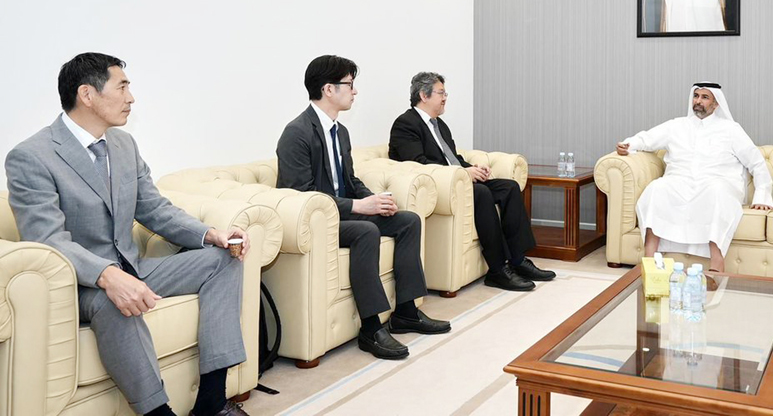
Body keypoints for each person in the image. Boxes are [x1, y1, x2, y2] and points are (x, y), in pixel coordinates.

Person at [4, 53, 250, 416]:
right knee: (115, 299)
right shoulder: (31, 157)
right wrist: (107, 276)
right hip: (82, 284)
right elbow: (48, 240)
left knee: (222, 260)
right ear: (87, 95)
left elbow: (153, 208)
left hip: (133, 265)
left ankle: (212, 403)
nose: (131, 98)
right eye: (122, 87)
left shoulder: (124, 146)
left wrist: (210, 233)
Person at [275, 55, 450, 361]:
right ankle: (371, 328)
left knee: (407, 220)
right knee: (365, 230)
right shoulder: (297, 133)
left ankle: (407, 311)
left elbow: (350, 180)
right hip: (319, 221)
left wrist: (375, 199)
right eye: (350, 85)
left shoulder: (340, 132)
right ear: (329, 89)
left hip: (344, 211)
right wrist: (359, 206)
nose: (354, 92)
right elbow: (300, 196)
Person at [388, 72, 555, 292]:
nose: (445, 97)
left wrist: (471, 169)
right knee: (482, 193)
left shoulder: (440, 125)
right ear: (423, 95)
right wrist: (463, 174)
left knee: (509, 187)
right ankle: (497, 270)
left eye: (445, 92)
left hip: (455, 180)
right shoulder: (406, 124)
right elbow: (419, 163)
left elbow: (451, 157)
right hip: (435, 187)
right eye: (441, 93)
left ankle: (518, 259)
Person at [616, 83, 772, 272]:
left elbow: (756, 162)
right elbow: (647, 139)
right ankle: (649, 263)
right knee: (657, 189)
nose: (698, 101)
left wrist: (762, 193)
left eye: (705, 97)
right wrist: (628, 144)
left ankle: (716, 266)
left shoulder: (731, 129)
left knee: (716, 193)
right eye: (696, 96)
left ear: (716, 104)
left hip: (717, 181)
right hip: (679, 181)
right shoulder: (677, 125)